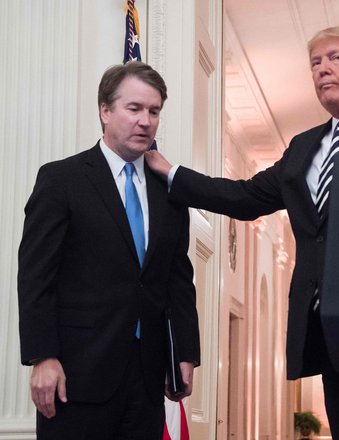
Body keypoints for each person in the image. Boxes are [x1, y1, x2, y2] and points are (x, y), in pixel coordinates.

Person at [146, 26, 339, 439]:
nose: (322, 69)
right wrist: (172, 175)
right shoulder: (304, 145)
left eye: (335, 58)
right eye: (315, 62)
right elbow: (244, 196)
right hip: (325, 323)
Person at [17, 61, 200, 439]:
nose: (145, 121)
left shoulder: (168, 189)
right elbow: (36, 276)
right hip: (76, 377)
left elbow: (178, 278)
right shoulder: (61, 180)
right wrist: (42, 356)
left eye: (154, 111)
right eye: (134, 109)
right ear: (105, 110)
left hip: (149, 380)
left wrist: (185, 352)